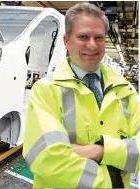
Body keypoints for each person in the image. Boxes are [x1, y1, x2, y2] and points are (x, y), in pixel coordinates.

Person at [23, 2, 140, 188]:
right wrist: (112, 177)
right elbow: (49, 160)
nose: (92, 45)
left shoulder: (124, 89)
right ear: (66, 41)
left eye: (99, 37)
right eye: (83, 36)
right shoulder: (46, 90)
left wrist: (100, 151)